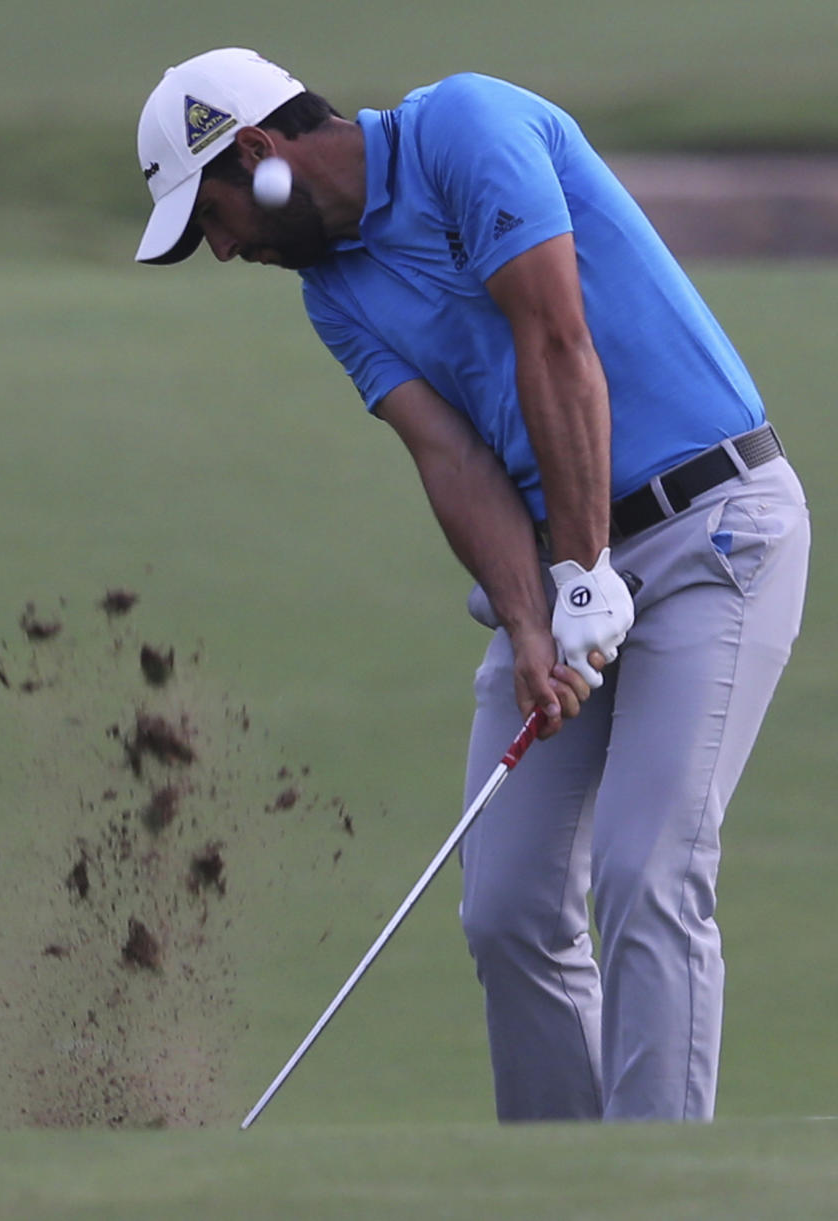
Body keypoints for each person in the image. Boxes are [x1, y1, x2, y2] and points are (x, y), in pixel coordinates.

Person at [133, 47, 811, 1121]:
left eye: (213, 219)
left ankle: (655, 1184)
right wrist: (536, 618)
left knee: (648, 869)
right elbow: (451, 458)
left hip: (711, 534)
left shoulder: (466, 128)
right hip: (563, 565)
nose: (222, 251)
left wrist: (583, 570)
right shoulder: (331, 294)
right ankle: (561, 1181)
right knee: (506, 904)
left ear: (260, 155)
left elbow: (555, 337)